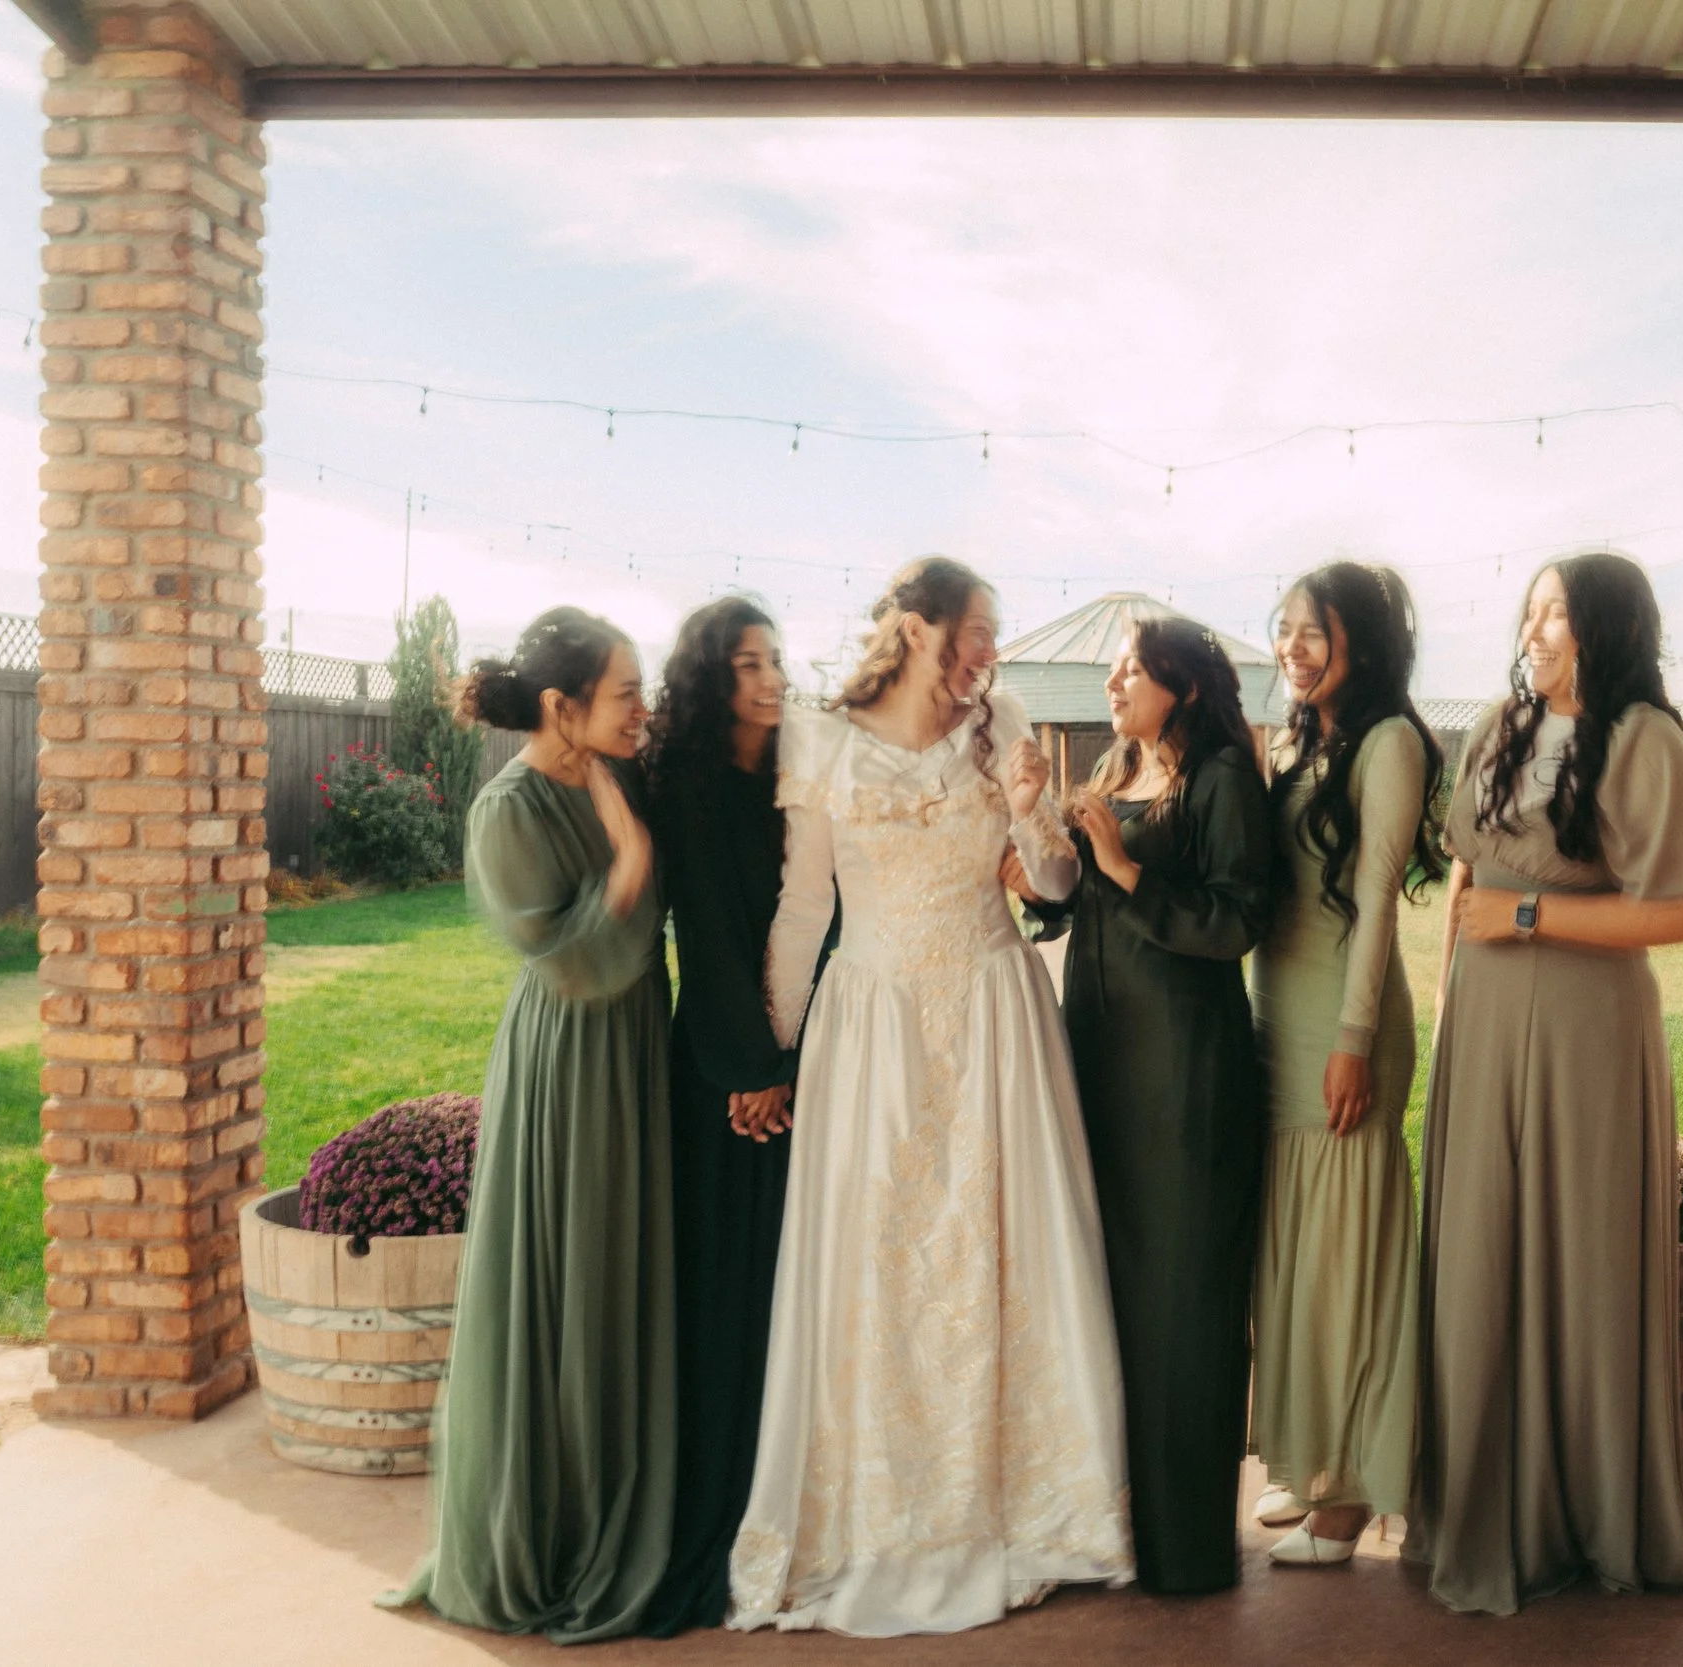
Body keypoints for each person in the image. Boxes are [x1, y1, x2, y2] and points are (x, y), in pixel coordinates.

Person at [727, 557, 1135, 1636]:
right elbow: (800, 910)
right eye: (975, 632)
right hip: (871, 1033)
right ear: (915, 630)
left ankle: (1023, 1504)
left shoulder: (1002, 722)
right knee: (885, 1266)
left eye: (992, 635)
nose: (987, 653)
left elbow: (1050, 886)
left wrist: (1033, 813)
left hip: (996, 1016)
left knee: (1000, 1260)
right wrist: (769, 1055)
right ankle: (882, 1513)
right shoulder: (818, 738)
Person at [1409, 551, 1683, 1615]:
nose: (1537, 625)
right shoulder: (1499, 731)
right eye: (1530, 607)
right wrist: (1455, 1003)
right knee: (1480, 1252)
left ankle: (1585, 1509)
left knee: (1579, 1252)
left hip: (1590, 1031)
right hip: (1487, 1023)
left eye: (1560, 610)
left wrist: (1529, 917)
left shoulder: (1645, 740)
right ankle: (1481, 1501)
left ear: (1605, 627)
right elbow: (1466, 874)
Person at [380, 607, 673, 1643]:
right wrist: (629, 853)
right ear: (563, 706)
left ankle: (622, 1505)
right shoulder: (506, 808)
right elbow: (574, 959)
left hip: (641, 1051)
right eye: (625, 692)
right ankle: (552, 1529)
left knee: (625, 1273)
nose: (643, 710)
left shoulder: (624, 767)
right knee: (571, 1273)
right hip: (569, 1061)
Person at [1019, 616, 1274, 1595]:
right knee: (1111, 1283)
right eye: (1114, 665)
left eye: (1133, 666)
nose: (1113, 678)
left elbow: (1238, 918)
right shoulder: (1113, 765)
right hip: (1098, 1046)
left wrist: (1121, 870)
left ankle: (1189, 1545)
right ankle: (1112, 1522)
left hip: (1183, 1067)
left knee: (1185, 1300)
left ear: (1189, 684)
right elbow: (1084, 900)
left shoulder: (1221, 777)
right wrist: (1049, 870)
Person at [1249, 562, 1445, 1568]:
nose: (1293, 644)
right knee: (1293, 1246)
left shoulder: (1390, 741)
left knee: (1348, 1252)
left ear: (1358, 640)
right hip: (1277, 1013)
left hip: (1344, 1018)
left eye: (1313, 629)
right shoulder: (1299, 741)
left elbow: (1375, 901)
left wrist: (1354, 1040)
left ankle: (1356, 1490)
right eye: (1283, 628)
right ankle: (1311, 1453)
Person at [636, 598, 809, 1636]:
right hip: (722, 1070)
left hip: (804, 1052)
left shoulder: (794, 772)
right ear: (711, 679)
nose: (770, 676)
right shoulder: (691, 783)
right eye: (746, 663)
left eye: (776, 658)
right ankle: (726, 1505)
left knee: (786, 1283)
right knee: (727, 1286)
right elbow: (701, 928)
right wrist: (751, 1067)